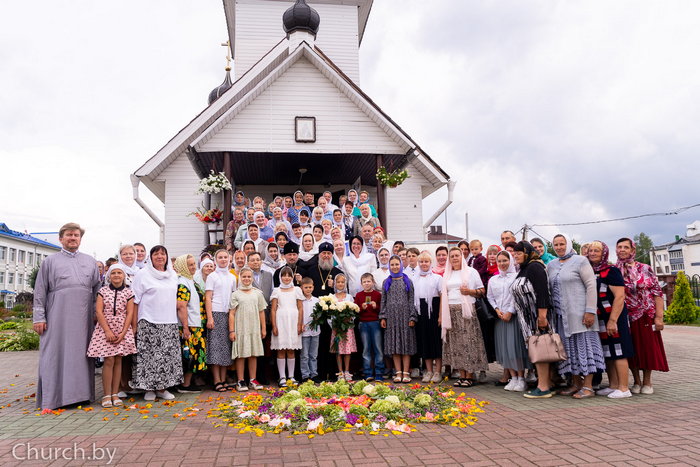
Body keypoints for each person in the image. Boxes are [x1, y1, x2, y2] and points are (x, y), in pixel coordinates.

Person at [33, 223, 101, 409]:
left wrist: (97, 313)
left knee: (81, 354)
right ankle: (54, 398)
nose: (73, 238)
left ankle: (81, 395)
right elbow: (40, 291)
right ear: (61, 238)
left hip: (84, 317)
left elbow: (98, 290)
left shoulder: (90, 261)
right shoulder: (50, 261)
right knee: (54, 354)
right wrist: (39, 317)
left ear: (80, 239)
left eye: (76, 235)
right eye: (69, 235)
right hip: (57, 316)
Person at [547, 234, 604, 399]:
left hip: (580, 315)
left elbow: (591, 285)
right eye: (556, 244)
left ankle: (588, 387)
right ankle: (576, 384)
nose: (558, 247)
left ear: (568, 244)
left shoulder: (580, 261)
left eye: (562, 244)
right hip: (561, 317)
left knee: (585, 349)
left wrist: (590, 311)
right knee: (570, 351)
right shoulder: (551, 265)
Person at [615, 237, 668, 394]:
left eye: (626, 247)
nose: (622, 250)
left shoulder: (645, 268)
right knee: (630, 349)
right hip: (625, 316)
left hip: (645, 315)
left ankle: (647, 382)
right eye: (619, 247)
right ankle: (636, 381)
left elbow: (657, 292)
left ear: (633, 250)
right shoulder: (614, 270)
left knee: (646, 348)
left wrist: (659, 317)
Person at [131, 245, 183, 401]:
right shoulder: (142, 274)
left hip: (169, 321)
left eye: (163, 254)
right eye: (156, 254)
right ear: (151, 257)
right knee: (149, 357)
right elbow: (135, 300)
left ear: (167, 257)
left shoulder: (172, 274)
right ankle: (148, 389)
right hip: (148, 320)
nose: (160, 257)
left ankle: (162, 388)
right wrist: (134, 325)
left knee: (166, 357)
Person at [587, 241, 634, 399]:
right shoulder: (591, 270)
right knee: (608, 352)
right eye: (590, 250)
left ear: (604, 253)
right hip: (600, 318)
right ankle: (613, 385)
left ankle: (624, 387)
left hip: (614, 317)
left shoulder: (611, 270)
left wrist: (613, 320)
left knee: (619, 352)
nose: (592, 253)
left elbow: (620, 297)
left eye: (596, 251)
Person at [510, 241, 555, 398]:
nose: (516, 255)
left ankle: (543, 388)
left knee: (541, 350)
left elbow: (543, 292)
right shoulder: (524, 269)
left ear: (528, 252)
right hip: (527, 318)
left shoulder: (535, 267)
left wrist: (542, 316)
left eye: (519, 253)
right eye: (514, 253)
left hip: (536, 317)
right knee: (537, 351)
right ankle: (546, 383)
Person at [87, 264, 137, 407]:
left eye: (119, 273)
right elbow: (99, 312)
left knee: (118, 360)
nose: (116, 275)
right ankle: (106, 394)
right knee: (109, 360)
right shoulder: (103, 291)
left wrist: (124, 332)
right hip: (105, 328)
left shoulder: (128, 292)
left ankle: (115, 393)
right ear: (109, 275)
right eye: (113, 273)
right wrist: (107, 331)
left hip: (122, 328)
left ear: (124, 276)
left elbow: (130, 313)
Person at [439, 247, 488, 387]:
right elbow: (444, 294)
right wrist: (442, 315)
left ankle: (470, 375)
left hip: (466, 311)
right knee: (456, 344)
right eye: (452, 256)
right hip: (451, 312)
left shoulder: (471, 272)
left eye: (457, 255)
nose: (454, 258)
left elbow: (482, 291)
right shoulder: (447, 274)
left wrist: (469, 291)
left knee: (468, 342)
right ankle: (461, 374)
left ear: (462, 257)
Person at [487, 251, 529, 392]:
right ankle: (513, 377)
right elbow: (490, 297)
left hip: (513, 317)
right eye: (499, 261)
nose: (502, 263)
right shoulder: (493, 279)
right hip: (500, 318)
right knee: (505, 349)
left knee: (515, 348)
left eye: (505, 260)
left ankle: (521, 378)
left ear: (510, 261)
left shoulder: (517, 276)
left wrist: (510, 311)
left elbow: (518, 296)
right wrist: (497, 310)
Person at [379, 255, 418, 384]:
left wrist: (412, 316)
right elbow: (383, 300)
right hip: (391, 318)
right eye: (392, 265)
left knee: (405, 344)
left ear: (401, 265)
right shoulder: (386, 282)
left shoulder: (407, 281)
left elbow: (412, 299)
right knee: (394, 345)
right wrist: (383, 316)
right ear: (389, 266)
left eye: (397, 264)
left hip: (405, 317)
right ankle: (398, 372)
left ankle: (406, 372)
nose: (395, 267)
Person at [228, 267, 267, 391]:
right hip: (241, 329)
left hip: (254, 328)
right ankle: (240, 380)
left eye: (249, 277)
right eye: (244, 276)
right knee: (241, 354)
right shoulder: (235, 294)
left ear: (252, 278)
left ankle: (252, 380)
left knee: (253, 354)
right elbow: (232, 314)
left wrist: (263, 328)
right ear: (240, 277)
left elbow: (261, 312)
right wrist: (232, 331)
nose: (246, 279)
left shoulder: (258, 293)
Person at [173, 254, 206, 394]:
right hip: (189, 326)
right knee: (189, 355)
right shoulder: (182, 283)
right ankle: (185, 385)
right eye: (189, 265)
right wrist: (185, 327)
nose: (193, 267)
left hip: (196, 325)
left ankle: (187, 383)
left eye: (193, 264)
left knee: (193, 354)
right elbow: (181, 306)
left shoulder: (190, 280)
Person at [205, 249, 237, 392]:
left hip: (228, 314)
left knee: (225, 349)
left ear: (229, 259)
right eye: (220, 257)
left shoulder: (232, 277)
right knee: (215, 349)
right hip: (216, 314)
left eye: (225, 257)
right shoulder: (212, 276)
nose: (223, 259)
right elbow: (208, 297)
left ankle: (224, 380)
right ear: (215, 260)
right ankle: (216, 380)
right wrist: (210, 317)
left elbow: (234, 296)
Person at [270, 267, 304, 386]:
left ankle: (291, 376)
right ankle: (282, 377)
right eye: (284, 275)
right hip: (281, 322)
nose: (286, 278)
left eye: (289, 275)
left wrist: (300, 323)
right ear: (280, 277)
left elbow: (300, 307)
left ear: (292, 277)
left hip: (293, 322)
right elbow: (273, 309)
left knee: (291, 350)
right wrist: (274, 325)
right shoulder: (276, 291)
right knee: (281, 349)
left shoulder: (297, 290)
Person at [413, 252, 443, 383]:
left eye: (426, 261)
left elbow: (442, 297)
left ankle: (438, 372)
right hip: (421, 312)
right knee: (424, 341)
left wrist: (441, 315)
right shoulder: (415, 279)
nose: (424, 264)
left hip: (434, 311)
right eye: (421, 262)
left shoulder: (437, 278)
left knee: (436, 341)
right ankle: (429, 370)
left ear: (431, 263)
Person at [328, 273, 357, 381]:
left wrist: (349, 320)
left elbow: (354, 311)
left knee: (347, 350)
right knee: (338, 350)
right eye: (338, 282)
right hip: (336, 328)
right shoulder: (332, 297)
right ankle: (340, 372)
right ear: (335, 283)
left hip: (347, 327)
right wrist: (333, 324)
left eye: (342, 282)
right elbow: (329, 313)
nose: (340, 284)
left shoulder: (349, 297)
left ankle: (347, 371)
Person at [355, 273, 384, 381]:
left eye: (368, 281)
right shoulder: (359, 295)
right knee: (366, 349)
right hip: (363, 324)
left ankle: (379, 373)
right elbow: (356, 311)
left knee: (378, 348)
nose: (367, 283)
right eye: (364, 282)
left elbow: (382, 309)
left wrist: (376, 307)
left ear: (373, 282)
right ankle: (368, 373)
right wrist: (361, 308)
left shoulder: (377, 295)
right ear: (361, 283)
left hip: (375, 323)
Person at [300, 277, 321, 382]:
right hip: (304, 332)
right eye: (306, 287)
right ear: (302, 288)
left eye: (310, 287)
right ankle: (305, 375)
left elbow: (320, 315)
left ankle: (314, 374)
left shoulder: (317, 301)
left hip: (315, 332)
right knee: (304, 355)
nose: (308, 289)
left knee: (313, 355)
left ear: (313, 287)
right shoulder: (300, 301)